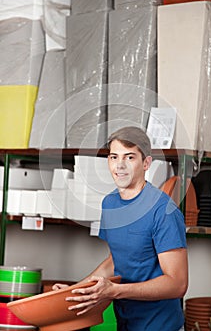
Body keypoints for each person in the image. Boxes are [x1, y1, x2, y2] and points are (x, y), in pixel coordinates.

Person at [53, 126, 188, 331]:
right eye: (114, 157)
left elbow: (177, 284)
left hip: (160, 325)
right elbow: (115, 259)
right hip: (125, 323)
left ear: (146, 163)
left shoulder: (163, 211)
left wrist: (115, 291)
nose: (120, 165)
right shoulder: (110, 204)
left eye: (129, 157)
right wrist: (76, 290)